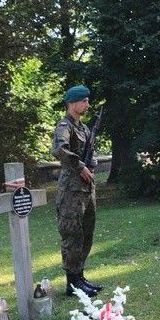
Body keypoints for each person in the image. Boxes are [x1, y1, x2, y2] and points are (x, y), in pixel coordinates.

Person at [51, 85, 103, 297]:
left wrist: (91, 164)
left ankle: (79, 277)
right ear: (71, 103)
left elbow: (87, 153)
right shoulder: (65, 126)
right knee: (72, 234)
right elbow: (59, 150)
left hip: (86, 189)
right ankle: (72, 283)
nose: (87, 104)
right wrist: (80, 166)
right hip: (71, 189)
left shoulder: (84, 128)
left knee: (86, 233)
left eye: (88, 100)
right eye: (83, 100)